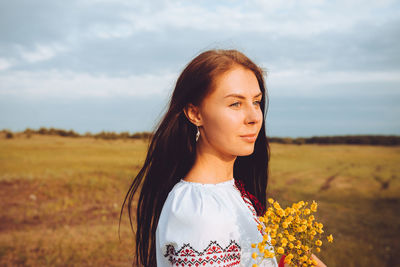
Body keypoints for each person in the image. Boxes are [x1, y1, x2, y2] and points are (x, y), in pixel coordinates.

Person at [120, 49, 327, 267]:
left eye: (256, 102)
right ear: (195, 114)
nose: (254, 117)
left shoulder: (232, 192)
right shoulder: (199, 212)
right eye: (235, 104)